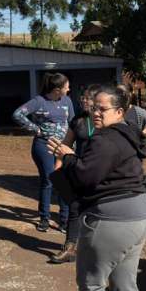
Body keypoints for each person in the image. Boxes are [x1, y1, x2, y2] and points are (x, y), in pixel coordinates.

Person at [48, 84, 146, 291]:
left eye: (102, 108)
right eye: (94, 107)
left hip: (112, 219)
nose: (95, 113)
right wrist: (70, 154)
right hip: (140, 214)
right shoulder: (129, 134)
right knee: (126, 283)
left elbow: (85, 176)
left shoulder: (105, 139)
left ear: (119, 111)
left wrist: (68, 155)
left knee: (92, 285)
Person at [13, 72, 74, 232]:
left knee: (64, 182)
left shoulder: (67, 101)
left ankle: (65, 221)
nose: (69, 89)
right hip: (44, 146)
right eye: (67, 86)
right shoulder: (39, 101)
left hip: (62, 148)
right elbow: (18, 114)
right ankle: (44, 219)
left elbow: (72, 122)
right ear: (57, 89)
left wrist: (72, 145)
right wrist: (35, 129)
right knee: (48, 180)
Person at [50, 84, 100, 264]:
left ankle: (96, 251)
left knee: (98, 210)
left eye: (87, 98)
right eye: (82, 97)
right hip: (77, 169)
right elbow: (66, 144)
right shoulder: (77, 120)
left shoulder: (104, 120)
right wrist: (58, 168)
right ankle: (70, 248)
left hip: (99, 171)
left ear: (96, 100)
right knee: (75, 208)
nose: (83, 100)